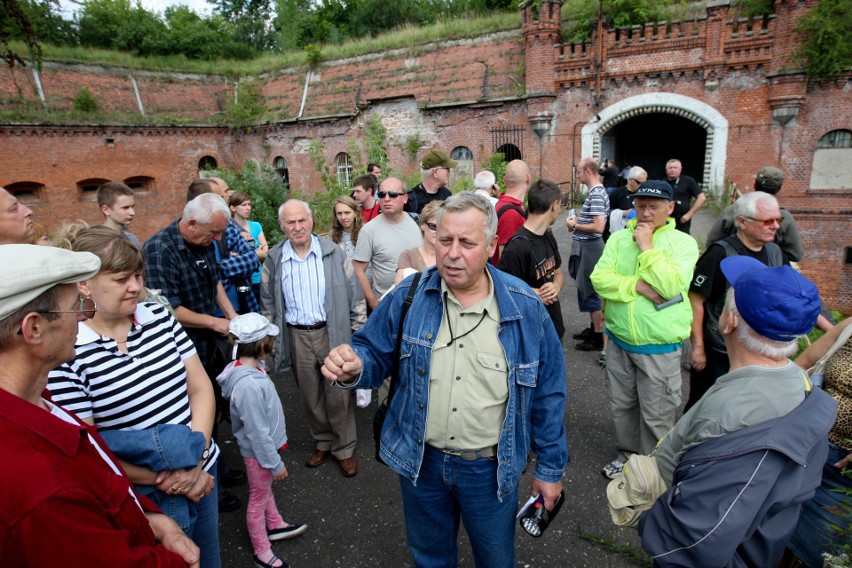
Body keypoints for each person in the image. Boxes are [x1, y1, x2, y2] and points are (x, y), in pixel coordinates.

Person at [322, 192, 568, 568]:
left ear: (491, 246)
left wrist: (550, 470)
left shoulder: (525, 308)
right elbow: (372, 351)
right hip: (422, 464)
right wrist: (355, 365)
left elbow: (549, 393)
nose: (452, 253)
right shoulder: (409, 294)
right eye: (444, 240)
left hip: (489, 469)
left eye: (467, 243)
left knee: (496, 560)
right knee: (430, 559)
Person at [0, 244, 200, 566]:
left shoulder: (36, 403)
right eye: (75, 307)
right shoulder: (38, 486)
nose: (83, 315)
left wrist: (150, 518)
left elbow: (100, 475)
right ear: (33, 329)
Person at [641, 257, 835, 567]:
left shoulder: (728, 410)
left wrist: (649, 521)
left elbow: (693, 540)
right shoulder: (798, 380)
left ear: (729, 321)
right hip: (761, 541)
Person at [48, 225, 221, 567]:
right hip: (142, 492)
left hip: (201, 468)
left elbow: (200, 388)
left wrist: (196, 460)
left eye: (138, 275)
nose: (136, 286)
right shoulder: (69, 350)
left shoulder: (159, 317)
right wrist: (166, 479)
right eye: (121, 279)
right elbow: (90, 447)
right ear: (84, 284)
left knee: (209, 559)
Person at [143, 193, 245, 512]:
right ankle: (204, 480)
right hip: (181, 347)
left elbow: (214, 282)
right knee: (193, 413)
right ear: (190, 223)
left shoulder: (206, 241)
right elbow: (167, 308)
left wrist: (233, 317)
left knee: (214, 404)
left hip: (210, 340)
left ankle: (219, 466)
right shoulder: (159, 249)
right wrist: (216, 323)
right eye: (214, 233)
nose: (217, 239)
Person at [590, 180, 698, 479]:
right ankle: (626, 457)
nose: (645, 213)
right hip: (620, 340)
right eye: (640, 206)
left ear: (670, 208)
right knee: (622, 407)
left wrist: (648, 247)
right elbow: (599, 279)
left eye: (653, 207)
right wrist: (635, 285)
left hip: (659, 347)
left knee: (657, 414)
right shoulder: (617, 239)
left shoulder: (683, 244)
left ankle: (651, 469)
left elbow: (669, 286)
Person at [260, 199, 366, 478]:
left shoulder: (333, 252)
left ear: (312, 222)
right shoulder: (275, 258)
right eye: (291, 222)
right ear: (282, 226)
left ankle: (344, 448)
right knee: (310, 394)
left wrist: (358, 330)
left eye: (302, 220)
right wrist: (269, 338)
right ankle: (323, 442)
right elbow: (268, 300)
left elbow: (354, 293)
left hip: (333, 332)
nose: (297, 227)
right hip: (297, 334)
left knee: (339, 392)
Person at [217, 313, 307, 568]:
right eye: (271, 341)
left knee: (263, 491)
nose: (274, 345)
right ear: (260, 346)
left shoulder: (247, 368)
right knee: (257, 498)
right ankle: (261, 550)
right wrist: (274, 462)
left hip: (260, 451)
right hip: (259, 454)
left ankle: (275, 523)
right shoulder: (248, 386)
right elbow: (257, 431)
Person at [687, 191, 786, 410]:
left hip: (760, 351)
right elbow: (696, 301)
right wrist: (698, 347)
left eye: (779, 219)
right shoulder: (719, 254)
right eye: (768, 220)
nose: (776, 226)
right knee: (705, 406)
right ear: (742, 221)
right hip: (720, 352)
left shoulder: (775, 253)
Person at [786, 317, 852, 567]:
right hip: (809, 442)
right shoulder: (851, 325)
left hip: (842, 470)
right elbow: (802, 365)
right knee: (779, 525)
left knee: (824, 548)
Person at [497, 178, 565, 339]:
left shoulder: (548, 235)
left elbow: (558, 273)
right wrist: (532, 293)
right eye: (561, 206)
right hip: (532, 335)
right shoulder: (517, 247)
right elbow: (500, 290)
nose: (560, 210)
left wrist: (556, 286)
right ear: (554, 205)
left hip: (554, 329)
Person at [187, 178, 260, 316]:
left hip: (241, 306)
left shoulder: (228, 226)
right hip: (208, 315)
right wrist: (233, 267)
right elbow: (199, 282)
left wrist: (215, 268)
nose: (228, 196)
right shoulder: (187, 234)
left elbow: (252, 259)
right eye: (221, 196)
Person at [706, 165, 804, 262]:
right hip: (766, 269)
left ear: (754, 184)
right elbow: (796, 254)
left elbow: (712, 242)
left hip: (729, 266)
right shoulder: (784, 217)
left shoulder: (731, 210)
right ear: (780, 188)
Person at [352, 177, 422, 312]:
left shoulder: (417, 222)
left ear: (405, 198)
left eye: (393, 194)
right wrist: (373, 303)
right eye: (382, 194)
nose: (387, 198)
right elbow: (358, 269)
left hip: (419, 302)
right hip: (388, 305)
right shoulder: (369, 230)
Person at [566, 157, 609, 351]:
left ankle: (598, 336)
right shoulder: (596, 193)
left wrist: (575, 225)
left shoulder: (597, 194)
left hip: (591, 247)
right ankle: (594, 329)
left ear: (589, 172)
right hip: (587, 246)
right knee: (587, 288)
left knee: (591, 291)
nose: (577, 175)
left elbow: (599, 227)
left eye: (579, 171)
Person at [229, 190, 268, 300]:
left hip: (258, 278)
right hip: (240, 280)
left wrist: (240, 255)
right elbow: (229, 257)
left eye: (249, 204)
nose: (248, 208)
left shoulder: (256, 226)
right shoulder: (229, 229)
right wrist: (256, 253)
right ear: (233, 208)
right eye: (243, 205)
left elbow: (265, 252)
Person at [492, 159, 531, 264]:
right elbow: (506, 262)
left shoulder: (503, 205)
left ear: (504, 180)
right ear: (528, 179)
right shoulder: (510, 214)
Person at [394, 200, 441, 284]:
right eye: (433, 226)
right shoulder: (408, 256)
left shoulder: (452, 256)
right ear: (422, 225)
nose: (438, 231)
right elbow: (399, 291)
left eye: (442, 228)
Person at [405, 149, 455, 215]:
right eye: (447, 168)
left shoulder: (446, 194)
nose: (449, 172)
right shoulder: (411, 200)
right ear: (435, 172)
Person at [665, 159, 705, 234]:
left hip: (682, 219)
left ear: (680, 169)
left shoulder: (688, 181)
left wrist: (689, 214)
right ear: (666, 169)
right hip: (666, 219)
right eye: (670, 168)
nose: (672, 170)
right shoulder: (663, 183)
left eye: (675, 167)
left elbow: (702, 197)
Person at [96, 181, 142, 247]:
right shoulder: (94, 243)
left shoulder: (132, 240)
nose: (132, 213)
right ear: (106, 210)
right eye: (125, 208)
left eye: (132, 206)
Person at [330, 195, 363, 261]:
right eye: (339, 213)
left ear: (355, 213)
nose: (343, 217)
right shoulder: (332, 235)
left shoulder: (365, 232)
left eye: (347, 213)